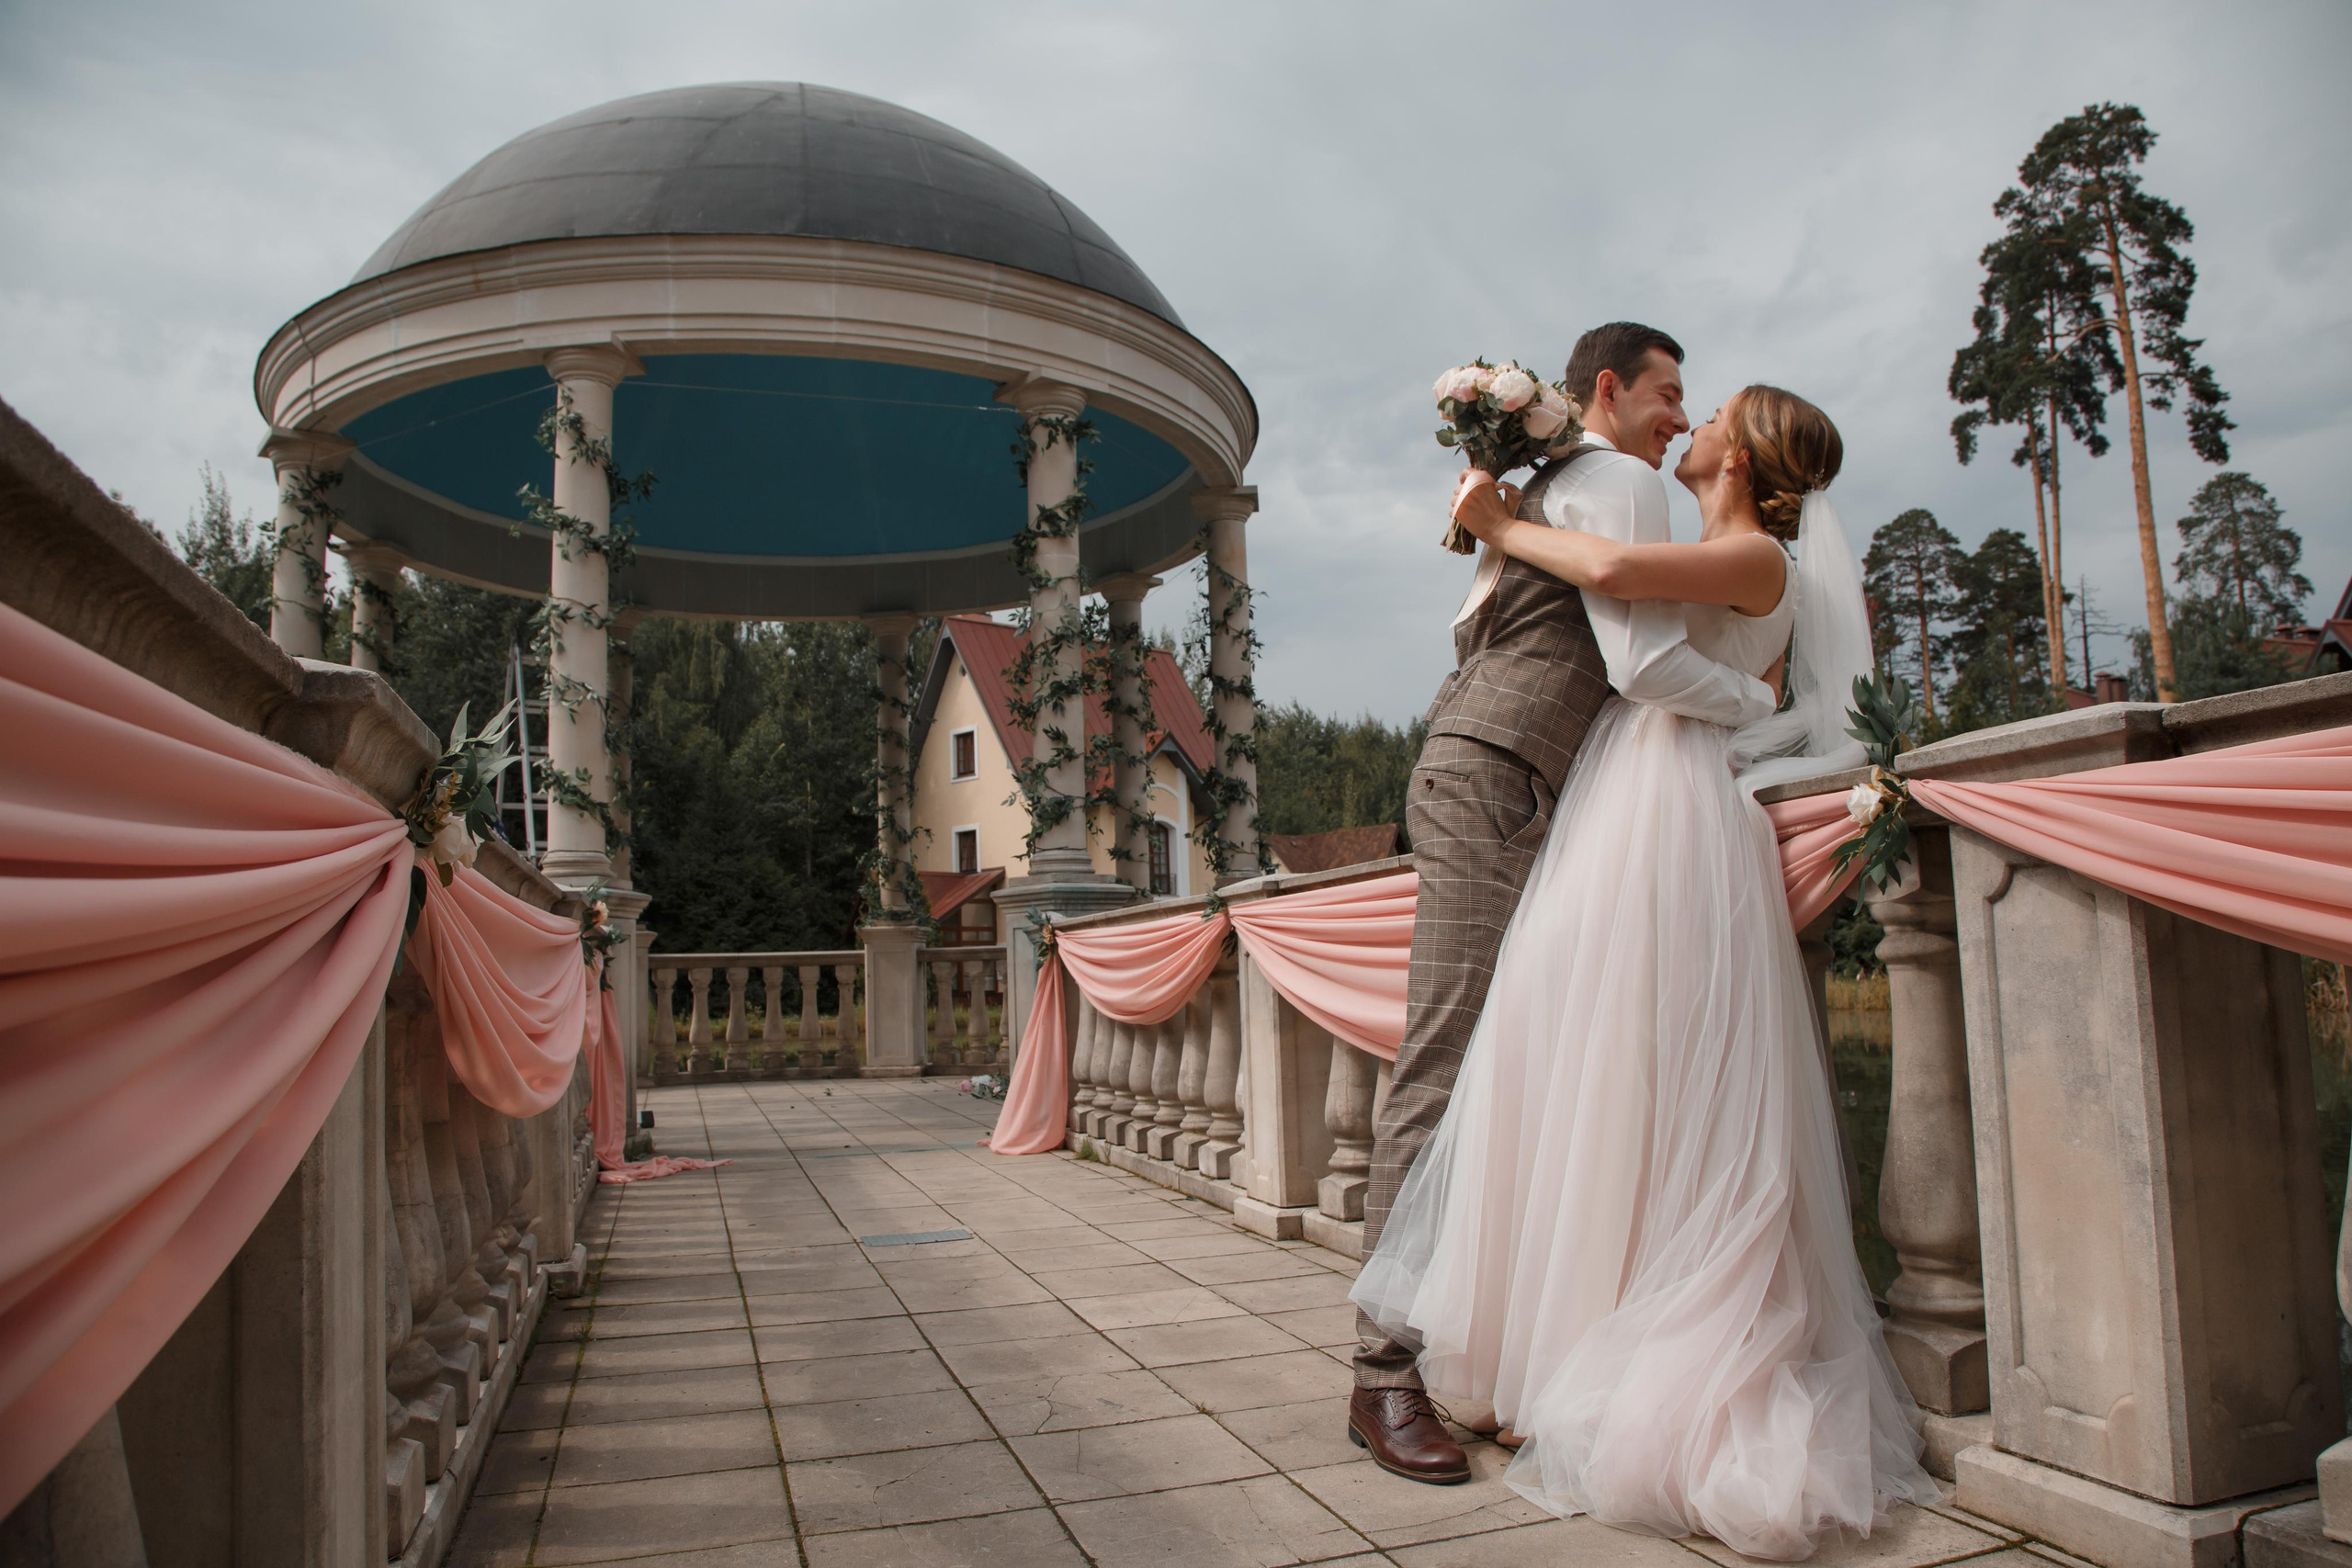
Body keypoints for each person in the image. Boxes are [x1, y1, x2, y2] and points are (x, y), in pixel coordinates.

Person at [1350, 383, 1938, 1560]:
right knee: (1581, 1059)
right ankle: (1546, 1347)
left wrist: (1501, 521)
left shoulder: (1756, 556)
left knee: (1634, 1065)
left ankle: (1589, 1361)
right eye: (1682, 395)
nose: (1694, 417)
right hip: (1619, 800)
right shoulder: (1706, 540)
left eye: (1713, 409)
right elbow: (1628, 599)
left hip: (1666, 807)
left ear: (1751, 454)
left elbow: (1616, 592)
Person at [1348, 323, 1781, 1485]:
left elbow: (1479, 627)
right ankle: (1380, 1376)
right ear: (1606, 388)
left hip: (1508, 772)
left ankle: (1481, 1351)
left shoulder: (1544, 486)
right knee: (1446, 1066)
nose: (1679, 422)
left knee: (1516, 1073)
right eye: (1665, 394)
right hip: (1500, 772)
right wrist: (1762, 706)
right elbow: (1639, 668)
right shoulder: (1622, 485)